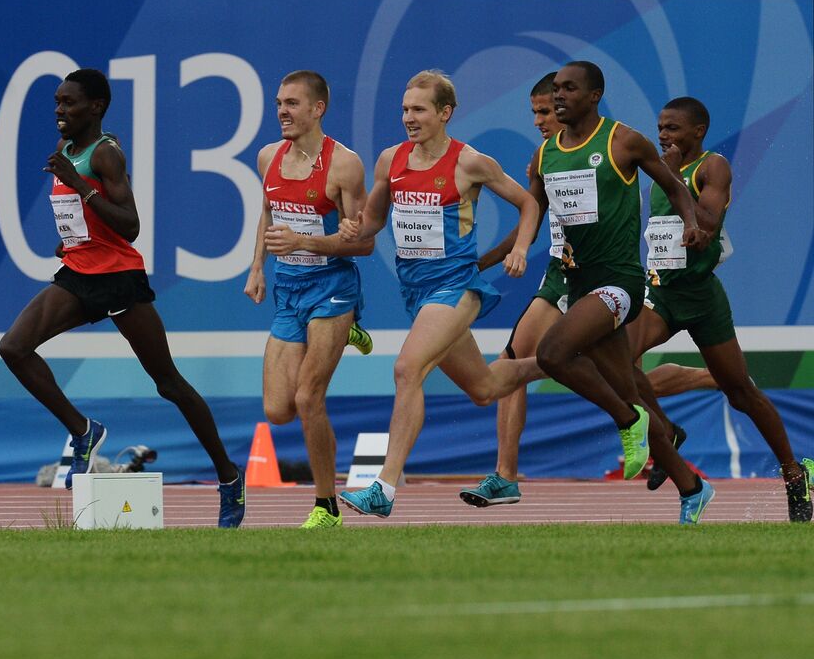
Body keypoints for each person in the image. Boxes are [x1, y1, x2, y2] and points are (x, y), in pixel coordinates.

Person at [0, 68, 246, 527]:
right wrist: (71, 239)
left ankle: (229, 478)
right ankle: (83, 430)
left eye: (69, 103)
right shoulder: (65, 151)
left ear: (96, 107)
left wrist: (79, 183)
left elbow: (129, 225)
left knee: (168, 383)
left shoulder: (105, 154)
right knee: (13, 347)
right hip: (78, 273)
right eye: (56, 102)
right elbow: (85, 219)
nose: (59, 111)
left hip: (119, 278)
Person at [463, 74, 715, 506]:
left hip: (611, 280)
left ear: (590, 98)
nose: (545, 116)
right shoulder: (544, 158)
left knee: (543, 358)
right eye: (540, 109)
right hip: (567, 277)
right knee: (620, 381)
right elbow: (531, 217)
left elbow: (671, 187)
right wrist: (482, 262)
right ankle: (690, 485)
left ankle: (512, 471)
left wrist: (692, 224)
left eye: (549, 107)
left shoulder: (619, 144)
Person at [335, 70, 543, 519]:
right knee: (485, 389)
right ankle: (566, 360)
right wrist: (354, 227)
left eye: (419, 110)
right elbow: (371, 222)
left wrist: (520, 248)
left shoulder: (470, 162)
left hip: (457, 287)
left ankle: (383, 489)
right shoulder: (391, 160)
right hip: (418, 292)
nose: (408, 118)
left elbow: (529, 203)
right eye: (405, 109)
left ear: (445, 113)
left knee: (408, 369)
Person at [627, 96, 812, 520]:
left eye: (673, 128)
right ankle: (668, 432)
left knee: (741, 393)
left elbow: (708, 225)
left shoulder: (713, 167)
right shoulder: (657, 172)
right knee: (619, 364)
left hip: (701, 297)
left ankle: (793, 472)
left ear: (698, 132)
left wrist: (675, 182)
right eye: (660, 127)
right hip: (661, 294)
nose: (663, 135)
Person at [243, 70, 375, 529]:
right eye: (279, 102)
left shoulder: (344, 165)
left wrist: (304, 242)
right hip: (288, 291)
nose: (282, 111)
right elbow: (267, 212)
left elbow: (363, 245)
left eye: (292, 103)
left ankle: (326, 506)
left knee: (308, 397)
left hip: (333, 290)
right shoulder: (267, 157)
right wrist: (257, 265)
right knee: (277, 409)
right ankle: (348, 334)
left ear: (318, 108)